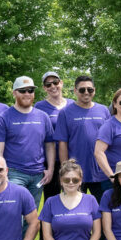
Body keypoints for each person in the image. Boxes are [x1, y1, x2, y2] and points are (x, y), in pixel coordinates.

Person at [0, 76, 55, 207]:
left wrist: (50, 169)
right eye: (22, 90)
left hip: (38, 174)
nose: (27, 94)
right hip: (14, 174)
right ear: (14, 93)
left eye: (30, 90)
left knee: (31, 215)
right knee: (14, 213)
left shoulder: (43, 117)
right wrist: (1, 173)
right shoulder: (3, 118)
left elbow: (49, 145)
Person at [39, 160, 101, 240]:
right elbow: (46, 236)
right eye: (67, 180)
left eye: (75, 180)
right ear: (61, 181)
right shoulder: (51, 202)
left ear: (81, 181)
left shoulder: (91, 200)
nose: (71, 183)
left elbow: (97, 233)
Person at [54, 76, 112, 195]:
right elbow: (62, 143)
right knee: (76, 210)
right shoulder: (65, 112)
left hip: (101, 172)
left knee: (104, 210)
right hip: (76, 173)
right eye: (82, 90)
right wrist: (66, 170)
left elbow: (110, 140)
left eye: (89, 89)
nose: (86, 92)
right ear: (75, 91)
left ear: (94, 90)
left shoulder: (104, 110)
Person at [35, 71, 73, 202]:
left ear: (61, 83)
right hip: (50, 161)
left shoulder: (72, 105)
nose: (53, 86)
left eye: (55, 82)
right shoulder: (39, 107)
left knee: (73, 197)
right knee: (52, 199)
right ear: (44, 88)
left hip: (72, 160)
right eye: (48, 84)